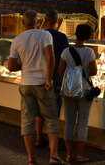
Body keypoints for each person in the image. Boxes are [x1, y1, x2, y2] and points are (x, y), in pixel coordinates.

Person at [7, 10, 62, 165]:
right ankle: (53, 156)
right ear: (38, 22)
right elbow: (50, 57)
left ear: (23, 23)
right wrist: (48, 79)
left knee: (27, 122)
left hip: (26, 84)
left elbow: (11, 66)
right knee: (51, 119)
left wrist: (23, 65)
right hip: (42, 84)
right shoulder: (45, 35)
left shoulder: (17, 39)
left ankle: (31, 159)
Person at [58, 24, 97, 163]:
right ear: (88, 36)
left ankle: (69, 154)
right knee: (82, 122)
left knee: (69, 122)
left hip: (68, 90)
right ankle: (80, 154)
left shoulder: (66, 51)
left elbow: (60, 71)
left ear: (76, 34)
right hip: (85, 90)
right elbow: (94, 72)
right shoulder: (90, 52)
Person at [35, 10, 69, 147]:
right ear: (57, 21)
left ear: (45, 20)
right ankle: (52, 142)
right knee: (53, 112)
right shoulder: (62, 37)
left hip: (38, 77)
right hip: (55, 78)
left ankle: (38, 138)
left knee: (39, 110)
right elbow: (65, 57)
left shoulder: (38, 35)